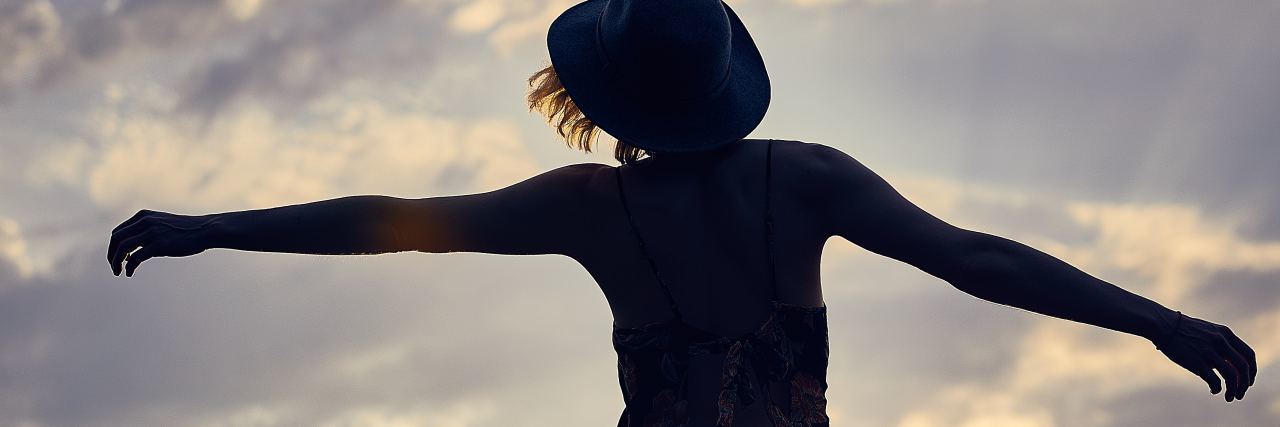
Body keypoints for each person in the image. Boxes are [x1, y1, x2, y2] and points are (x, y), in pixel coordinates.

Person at [106, 0, 1257, 425]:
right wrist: (1156, 318)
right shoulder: (803, 177)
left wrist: (214, 223)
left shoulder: (587, 206)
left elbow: (392, 218)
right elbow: (976, 259)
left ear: (603, 99)